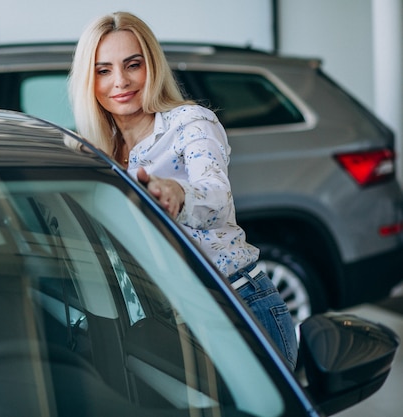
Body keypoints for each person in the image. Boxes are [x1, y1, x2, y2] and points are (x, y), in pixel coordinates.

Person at [67, 11, 298, 369]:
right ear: (89, 80)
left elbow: (215, 195)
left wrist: (176, 192)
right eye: (103, 70)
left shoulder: (190, 122)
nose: (120, 82)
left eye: (133, 65)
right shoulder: (101, 152)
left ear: (152, 67)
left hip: (238, 308)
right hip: (166, 325)